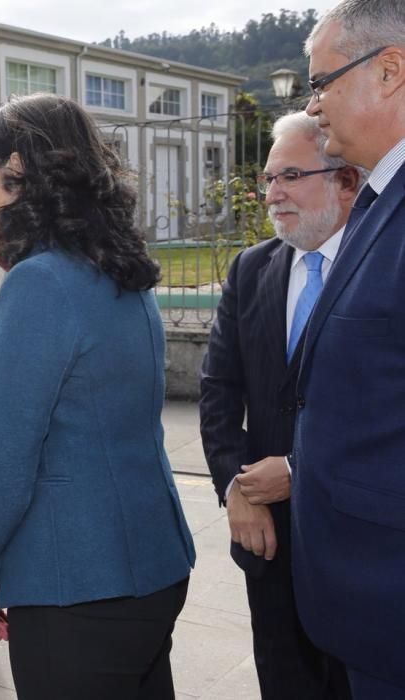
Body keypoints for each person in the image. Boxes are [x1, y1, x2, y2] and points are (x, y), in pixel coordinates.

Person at [0, 94, 196, 700]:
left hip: (79, 585)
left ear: (18, 169)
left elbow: (4, 457)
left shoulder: (42, 282)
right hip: (147, 565)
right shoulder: (115, 267)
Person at [200, 112, 358, 700]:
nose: (273, 193)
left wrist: (297, 470)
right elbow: (218, 389)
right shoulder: (251, 266)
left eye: (291, 175)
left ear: (345, 178)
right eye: (268, 178)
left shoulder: (381, 266)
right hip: (267, 542)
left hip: (355, 543)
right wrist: (236, 489)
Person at [289, 2, 405, 696]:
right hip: (363, 601)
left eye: (322, 81)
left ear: (388, 71)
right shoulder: (376, 199)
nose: (312, 105)